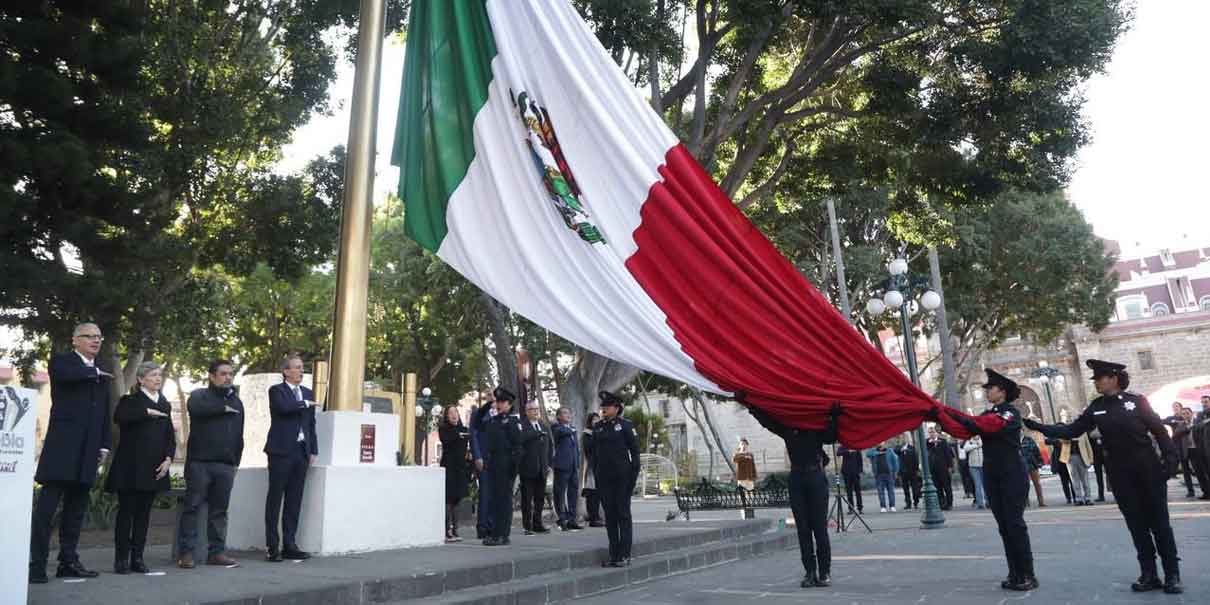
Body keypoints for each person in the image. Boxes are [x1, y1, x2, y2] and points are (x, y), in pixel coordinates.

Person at [1024, 359, 1183, 594]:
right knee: (1136, 526)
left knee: (1160, 524)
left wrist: (1170, 461)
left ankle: (1172, 574)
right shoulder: (1096, 407)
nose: (1096, 382)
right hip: (1120, 475)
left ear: (1114, 378)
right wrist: (1038, 426)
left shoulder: (1137, 402)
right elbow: (1071, 430)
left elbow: (1159, 431)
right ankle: (1149, 574)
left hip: (1148, 472)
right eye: (1096, 379)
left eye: (1100, 378)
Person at [30, 322, 113, 584]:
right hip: (62, 448)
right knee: (46, 510)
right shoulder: (62, 362)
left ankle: (68, 562)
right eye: (89, 336)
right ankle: (36, 563)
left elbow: (103, 411)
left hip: (88, 450)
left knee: (76, 510)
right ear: (75, 339)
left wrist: (103, 445)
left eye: (99, 337)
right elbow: (71, 376)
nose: (95, 341)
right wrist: (96, 373)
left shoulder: (102, 373)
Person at [940, 369, 1038, 591]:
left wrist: (947, 412)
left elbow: (982, 425)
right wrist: (940, 416)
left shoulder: (1010, 413)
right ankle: (1014, 573)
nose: (987, 391)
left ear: (1002, 392)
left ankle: (1027, 574)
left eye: (990, 388)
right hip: (992, 473)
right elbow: (965, 429)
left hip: (1012, 473)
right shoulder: (988, 413)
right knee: (1004, 526)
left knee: (1014, 525)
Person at [745, 398, 840, 588]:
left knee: (820, 530)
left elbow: (831, 436)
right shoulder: (788, 428)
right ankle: (810, 573)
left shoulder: (815, 426)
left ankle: (824, 573)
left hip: (816, 478)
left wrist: (834, 415)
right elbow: (768, 422)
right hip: (797, 479)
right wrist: (751, 405)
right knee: (803, 530)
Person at [105, 361, 175, 574]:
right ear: (141, 379)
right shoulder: (130, 400)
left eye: (159, 375)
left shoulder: (165, 403)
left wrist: (169, 458)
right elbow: (120, 417)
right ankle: (121, 560)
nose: (157, 378)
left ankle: (138, 558)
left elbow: (169, 435)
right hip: (130, 467)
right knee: (127, 513)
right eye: (153, 375)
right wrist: (147, 412)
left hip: (155, 466)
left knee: (144, 515)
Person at [177, 359, 244, 569]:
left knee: (220, 511)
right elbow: (197, 410)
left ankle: (216, 553)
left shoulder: (237, 401)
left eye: (231, 374)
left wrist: (236, 462)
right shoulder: (199, 396)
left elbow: (239, 434)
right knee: (192, 508)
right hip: (200, 463)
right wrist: (223, 408)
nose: (228, 378)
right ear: (212, 376)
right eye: (223, 374)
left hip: (226, 465)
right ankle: (186, 554)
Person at [263, 355, 318, 562]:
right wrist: (304, 403)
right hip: (280, 452)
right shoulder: (277, 391)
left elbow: (311, 424)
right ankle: (272, 546)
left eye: (302, 368)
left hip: (301, 452)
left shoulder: (307, 393)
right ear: (286, 371)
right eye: (296, 368)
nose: (301, 371)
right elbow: (284, 409)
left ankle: (290, 544)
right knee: (275, 499)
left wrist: (313, 450)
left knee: (294, 500)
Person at [593, 391, 640, 567]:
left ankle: (625, 554)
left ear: (617, 408)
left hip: (622, 478)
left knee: (623, 514)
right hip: (604, 479)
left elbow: (635, 454)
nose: (604, 408)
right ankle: (614, 554)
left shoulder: (626, 426)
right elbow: (594, 455)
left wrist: (632, 478)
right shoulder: (598, 427)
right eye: (603, 406)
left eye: (607, 406)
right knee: (610, 517)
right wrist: (596, 475)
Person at [482, 387, 522, 546]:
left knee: (504, 501)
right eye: (497, 401)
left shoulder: (512, 421)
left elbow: (518, 446)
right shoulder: (493, 421)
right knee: (495, 500)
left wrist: (514, 468)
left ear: (509, 404)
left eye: (502, 402)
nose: (498, 404)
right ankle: (495, 532)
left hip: (506, 465)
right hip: (493, 464)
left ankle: (502, 534)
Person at [518, 401, 552, 535]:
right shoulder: (522, 425)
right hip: (528, 468)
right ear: (526, 412)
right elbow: (520, 440)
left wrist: (549, 464)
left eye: (537, 409)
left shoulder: (543, 425)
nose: (536, 411)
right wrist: (535, 434)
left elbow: (550, 446)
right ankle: (527, 526)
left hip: (542, 468)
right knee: (527, 499)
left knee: (540, 498)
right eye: (532, 409)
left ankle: (538, 523)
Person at [438, 405, 471, 542]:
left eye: (455, 412)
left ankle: (456, 529)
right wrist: (458, 435)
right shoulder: (444, 429)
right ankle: (446, 531)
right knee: (448, 499)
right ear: (446, 416)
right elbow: (446, 440)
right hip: (449, 467)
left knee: (457, 499)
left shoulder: (464, 430)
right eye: (450, 413)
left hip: (460, 468)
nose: (454, 415)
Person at [550, 407, 583, 531]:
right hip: (562, 465)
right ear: (558, 416)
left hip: (573, 466)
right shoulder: (556, 427)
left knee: (573, 493)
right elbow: (562, 432)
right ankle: (561, 518)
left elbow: (576, 448)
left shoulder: (571, 428)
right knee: (559, 493)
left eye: (569, 413)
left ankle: (572, 519)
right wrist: (571, 429)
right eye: (564, 413)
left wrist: (578, 463)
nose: (568, 415)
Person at [469, 396, 497, 539]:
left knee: (496, 494)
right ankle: (482, 527)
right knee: (485, 493)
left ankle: (493, 525)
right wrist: (477, 456)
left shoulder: (502, 415)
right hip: (483, 460)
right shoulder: (478, 414)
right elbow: (473, 436)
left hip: (498, 461)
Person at [1171, 406, 1209, 499]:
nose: (1186, 415)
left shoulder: (1198, 422)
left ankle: (1207, 492)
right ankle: (1199, 492)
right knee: (1192, 473)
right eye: (1183, 414)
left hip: (1198, 450)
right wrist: (1187, 427)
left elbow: (1202, 430)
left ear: (1191, 413)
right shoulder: (1181, 425)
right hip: (1186, 451)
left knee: (1201, 472)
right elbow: (1175, 435)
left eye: (1187, 413)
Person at [581, 412, 604, 527]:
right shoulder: (587, 434)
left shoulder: (600, 431)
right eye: (594, 419)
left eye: (597, 419)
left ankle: (597, 516)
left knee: (599, 493)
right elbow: (588, 449)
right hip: (592, 467)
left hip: (602, 466)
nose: (596, 421)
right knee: (591, 494)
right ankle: (592, 518)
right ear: (590, 421)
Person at [926, 427, 954, 510]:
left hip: (943, 468)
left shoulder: (943, 441)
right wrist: (931, 443)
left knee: (946, 486)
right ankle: (941, 503)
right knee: (937, 487)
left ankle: (949, 503)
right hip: (933, 468)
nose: (931, 434)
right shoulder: (927, 442)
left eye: (933, 432)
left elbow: (948, 455)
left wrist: (950, 466)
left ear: (936, 433)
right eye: (930, 432)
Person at [866, 444, 898, 512]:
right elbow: (867, 454)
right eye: (880, 443)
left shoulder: (889, 450)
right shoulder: (874, 451)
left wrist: (895, 472)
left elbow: (895, 461)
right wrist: (878, 452)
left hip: (889, 474)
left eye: (883, 442)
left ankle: (892, 506)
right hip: (879, 475)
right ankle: (883, 507)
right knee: (881, 492)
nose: (881, 444)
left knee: (891, 491)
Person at [1020, 428, 1046, 507]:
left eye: (1021, 430)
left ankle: (1041, 502)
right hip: (1021, 467)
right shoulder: (1014, 441)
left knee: (1037, 484)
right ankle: (1026, 502)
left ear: (1023, 431)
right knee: (1024, 485)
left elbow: (1036, 450)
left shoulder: (1029, 440)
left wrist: (1040, 461)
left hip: (1032, 465)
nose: (1019, 432)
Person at [1066, 433, 1094, 506]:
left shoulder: (1083, 433)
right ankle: (1079, 499)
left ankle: (1088, 498)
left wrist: (1091, 458)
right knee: (1075, 480)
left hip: (1082, 458)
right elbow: (1061, 442)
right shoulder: (1066, 431)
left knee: (1085, 480)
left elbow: (1088, 446)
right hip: (1070, 458)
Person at [837, 445, 864, 513]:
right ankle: (851, 508)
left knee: (858, 491)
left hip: (855, 472)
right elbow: (838, 453)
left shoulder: (856, 447)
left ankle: (860, 508)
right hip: (846, 472)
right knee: (849, 491)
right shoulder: (843, 446)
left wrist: (860, 471)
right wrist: (847, 451)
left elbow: (860, 459)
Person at [962, 435, 986, 509]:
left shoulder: (983, 439)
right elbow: (965, 448)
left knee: (986, 485)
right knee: (977, 484)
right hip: (973, 466)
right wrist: (976, 446)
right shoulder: (969, 441)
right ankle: (980, 503)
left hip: (983, 465)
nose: (976, 435)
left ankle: (989, 502)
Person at [897, 440, 922, 509]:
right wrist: (902, 449)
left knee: (915, 488)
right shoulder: (899, 447)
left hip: (912, 471)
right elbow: (896, 451)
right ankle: (908, 503)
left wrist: (917, 469)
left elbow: (916, 458)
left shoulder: (912, 448)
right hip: (903, 472)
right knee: (906, 489)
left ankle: (916, 502)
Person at [1089, 428, 1109, 502]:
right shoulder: (1090, 430)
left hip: (1106, 455)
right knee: (1099, 477)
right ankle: (1101, 495)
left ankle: (1115, 493)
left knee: (1110, 475)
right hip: (1096, 457)